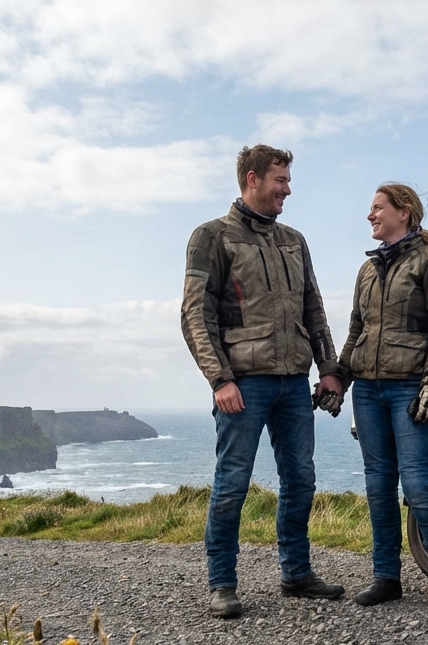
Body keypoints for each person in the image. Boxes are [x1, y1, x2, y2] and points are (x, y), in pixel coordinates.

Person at [181, 144, 347, 619]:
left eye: (288, 180)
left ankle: (296, 573)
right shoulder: (211, 236)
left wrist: (329, 369)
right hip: (243, 384)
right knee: (233, 482)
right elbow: (195, 315)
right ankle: (222, 584)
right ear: (252, 179)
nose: (287, 189)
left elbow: (313, 307)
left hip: (293, 382)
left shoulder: (294, 240)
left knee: (301, 480)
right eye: (280, 180)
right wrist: (220, 379)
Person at [338, 184, 428, 611]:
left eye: (377, 208)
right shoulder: (367, 270)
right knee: (378, 486)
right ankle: (386, 578)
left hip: (411, 387)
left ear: (404, 212)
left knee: (418, 484)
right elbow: (357, 330)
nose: (370, 215)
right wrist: (339, 377)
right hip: (367, 390)